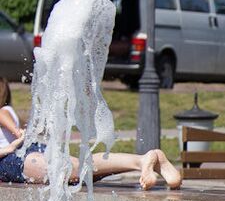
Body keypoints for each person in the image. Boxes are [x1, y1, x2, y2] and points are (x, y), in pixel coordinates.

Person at [0, 78, 181, 190]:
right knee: (83, 172)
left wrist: (13, 141)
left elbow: (3, 118)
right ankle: (147, 160)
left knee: (77, 171)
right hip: (21, 155)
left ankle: (143, 161)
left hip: (10, 160)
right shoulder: (8, 109)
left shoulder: (4, 110)